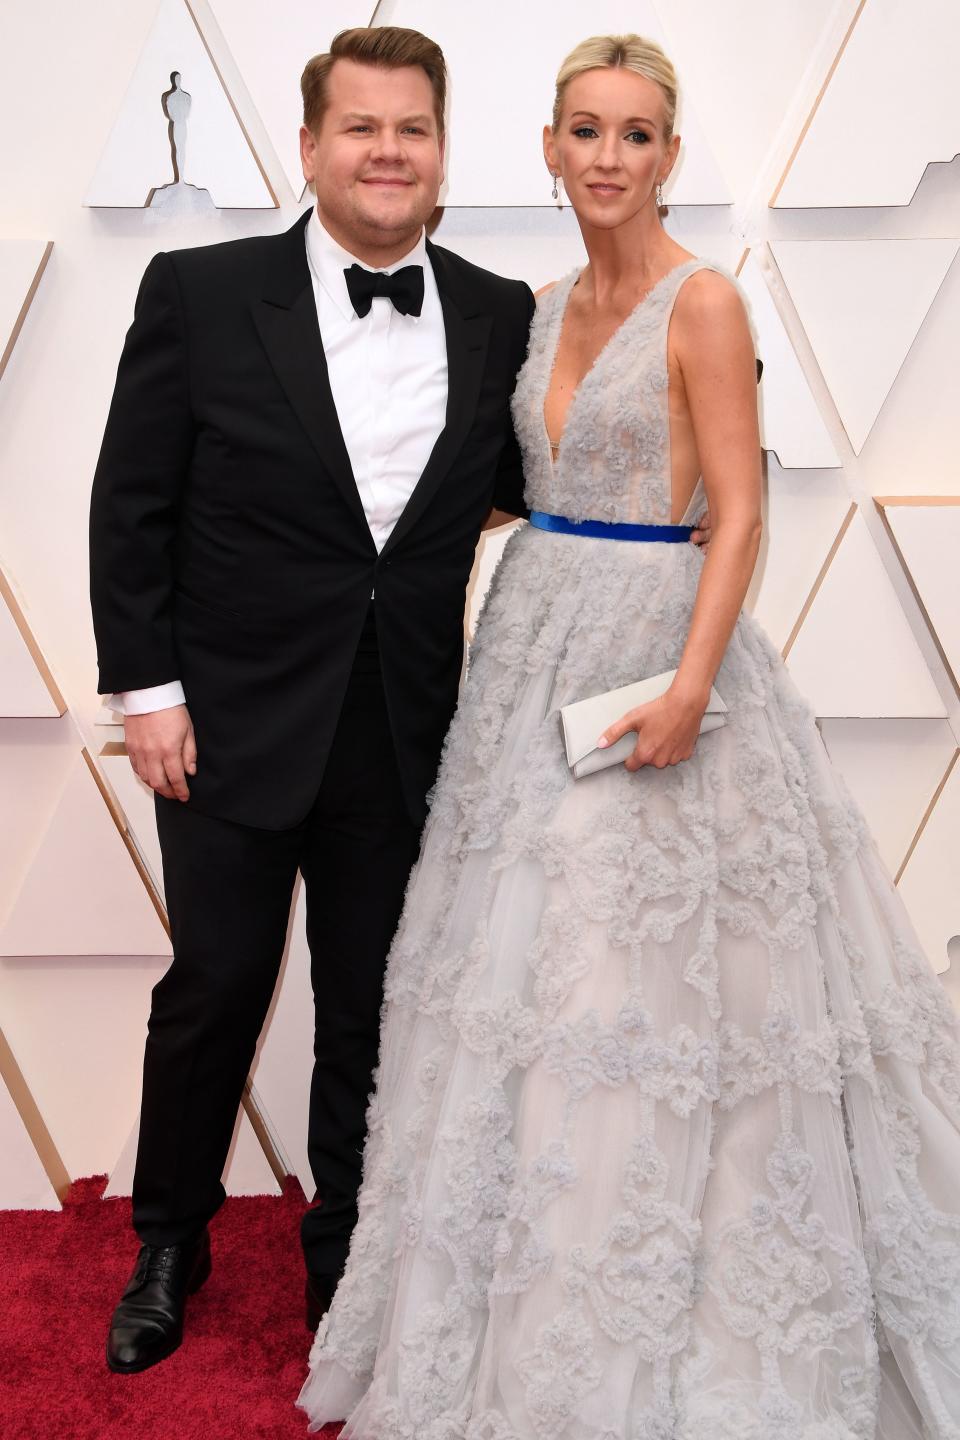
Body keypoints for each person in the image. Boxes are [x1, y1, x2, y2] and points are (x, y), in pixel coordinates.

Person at [299, 32, 960, 1439]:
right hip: (531, 653)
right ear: (546, 149)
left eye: (637, 134)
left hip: (660, 660)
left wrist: (690, 686)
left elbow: (742, 513)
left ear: (670, 155)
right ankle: (533, 1300)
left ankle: (665, 1309)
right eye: (584, 131)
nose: (608, 157)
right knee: (520, 984)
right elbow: (498, 491)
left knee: (635, 997)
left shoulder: (703, 302)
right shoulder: (534, 313)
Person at [89, 25, 542, 1375]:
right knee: (215, 988)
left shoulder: (503, 310)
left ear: (443, 156)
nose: (388, 150)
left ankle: (349, 1255)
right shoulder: (202, 291)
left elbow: (531, 482)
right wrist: (149, 691)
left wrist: (682, 499)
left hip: (404, 727)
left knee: (374, 1006)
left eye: (412, 128)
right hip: (221, 722)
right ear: (310, 147)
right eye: (361, 127)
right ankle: (168, 1240)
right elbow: (133, 504)